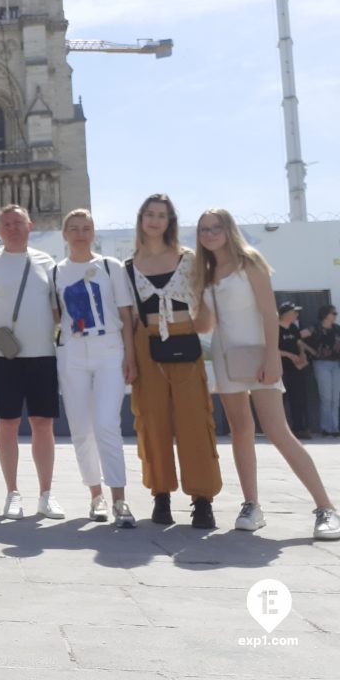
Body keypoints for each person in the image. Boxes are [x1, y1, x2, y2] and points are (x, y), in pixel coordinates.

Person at [193, 208, 339, 540]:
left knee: (277, 431)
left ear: (229, 229)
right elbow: (205, 325)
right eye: (203, 229)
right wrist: (191, 299)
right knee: (240, 430)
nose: (209, 234)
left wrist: (272, 357)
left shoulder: (250, 261)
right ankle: (251, 506)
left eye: (216, 227)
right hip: (228, 360)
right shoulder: (205, 272)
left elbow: (269, 313)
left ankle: (325, 507)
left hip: (260, 357)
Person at [125, 193, 221, 528]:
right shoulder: (129, 265)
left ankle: (202, 499)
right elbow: (128, 319)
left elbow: (204, 302)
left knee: (195, 419)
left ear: (170, 222)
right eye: (149, 214)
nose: (154, 220)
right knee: (152, 421)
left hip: (184, 338)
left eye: (161, 215)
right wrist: (130, 358)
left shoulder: (188, 258)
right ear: (141, 219)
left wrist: (196, 328)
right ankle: (161, 495)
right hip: (145, 341)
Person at [0, 204, 64, 521]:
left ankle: (46, 494)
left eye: (18, 222)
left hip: (42, 355)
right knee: (7, 424)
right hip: (4, 357)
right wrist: (1, 334)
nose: (12, 227)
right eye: (6, 223)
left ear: (30, 225)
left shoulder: (46, 262)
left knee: (43, 424)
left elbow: (55, 310)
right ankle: (12, 493)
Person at [50, 209, 137, 527]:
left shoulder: (109, 266)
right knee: (81, 429)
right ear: (64, 234)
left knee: (106, 424)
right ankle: (95, 496)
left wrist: (130, 356)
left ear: (94, 232)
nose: (80, 233)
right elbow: (56, 316)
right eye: (73, 228)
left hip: (109, 349)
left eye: (86, 228)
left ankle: (120, 500)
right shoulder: (56, 271)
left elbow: (126, 315)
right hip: (72, 351)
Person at [277, 301, 312, 439]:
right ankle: (281, 429)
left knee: (298, 398)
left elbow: (298, 342)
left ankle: (299, 428)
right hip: (281, 369)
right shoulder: (275, 328)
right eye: (294, 312)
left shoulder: (293, 327)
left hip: (296, 369)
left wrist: (302, 353)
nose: (297, 314)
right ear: (286, 314)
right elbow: (272, 349)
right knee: (281, 400)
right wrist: (290, 355)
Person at [305, 304, 340, 437]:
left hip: (336, 364)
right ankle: (326, 427)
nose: (335, 315)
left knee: (335, 398)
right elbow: (298, 338)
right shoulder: (315, 328)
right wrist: (309, 351)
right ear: (325, 314)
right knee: (326, 397)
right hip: (321, 363)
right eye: (333, 313)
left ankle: (335, 427)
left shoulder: (337, 329)